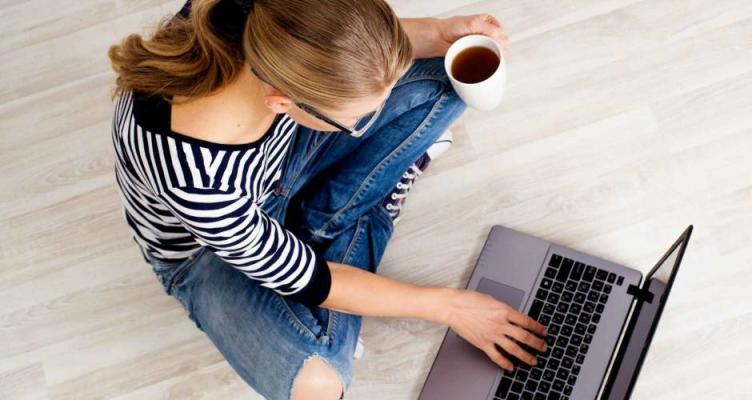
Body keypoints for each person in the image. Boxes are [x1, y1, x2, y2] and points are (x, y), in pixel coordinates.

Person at [106, 0, 547, 399]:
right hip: (208, 255)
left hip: (276, 163)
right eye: (358, 120)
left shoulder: (267, 20)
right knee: (318, 383)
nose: (369, 118)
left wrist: (438, 32)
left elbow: (337, 34)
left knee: (450, 74)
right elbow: (308, 280)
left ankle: (352, 209)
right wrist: (450, 307)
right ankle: (365, 207)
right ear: (282, 100)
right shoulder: (196, 178)